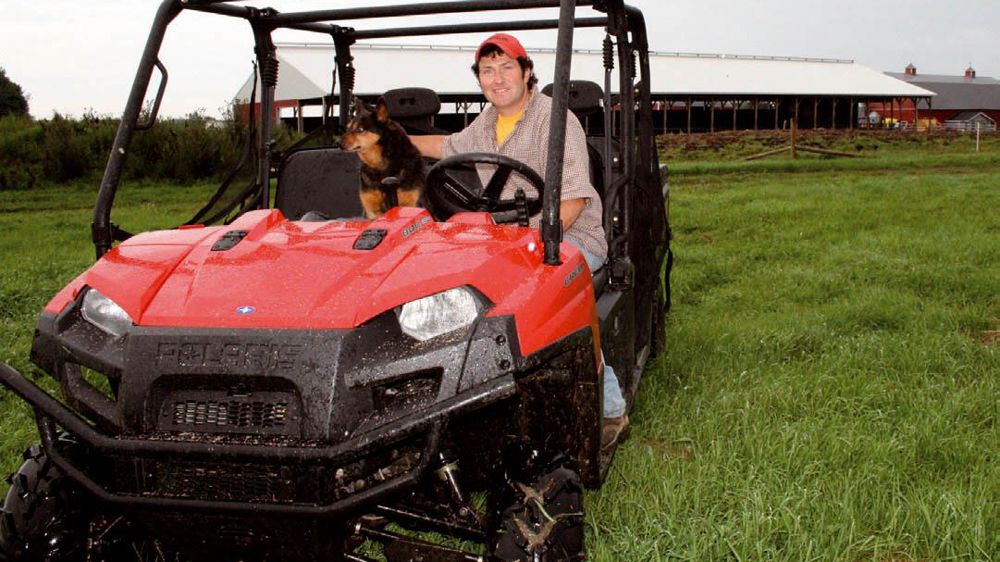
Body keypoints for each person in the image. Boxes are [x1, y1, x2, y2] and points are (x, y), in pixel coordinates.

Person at [409, 33, 629, 451]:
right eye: (487, 71)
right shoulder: (487, 123)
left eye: (506, 67)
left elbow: (574, 200)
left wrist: (533, 250)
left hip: (569, 236)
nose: (497, 78)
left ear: (527, 73)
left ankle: (611, 410)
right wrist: (390, 141)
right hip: (507, 241)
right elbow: (446, 146)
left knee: (554, 292)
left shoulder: (555, 119)